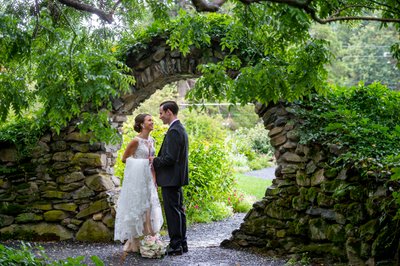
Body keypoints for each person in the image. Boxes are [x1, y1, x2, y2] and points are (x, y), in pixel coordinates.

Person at [114, 114, 163, 256]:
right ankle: (138, 240)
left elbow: (153, 162)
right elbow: (124, 159)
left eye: (152, 120)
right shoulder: (136, 141)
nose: (152, 122)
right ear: (142, 124)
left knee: (151, 206)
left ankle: (150, 238)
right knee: (140, 207)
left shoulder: (152, 141)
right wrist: (143, 163)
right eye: (149, 120)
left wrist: (154, 179)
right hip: (138, 181)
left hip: (150, 179)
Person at [150, 100, 189, 256]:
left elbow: (170, 158)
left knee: (173, 212)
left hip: (171, 178)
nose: (159, 117)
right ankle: (182, 243)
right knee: (178, 210)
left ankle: (175, 245)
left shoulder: (174, 131)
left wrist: (154, 160)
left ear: (169, 112)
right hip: (176, 178)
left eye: (161, 113)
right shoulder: (179, 128)